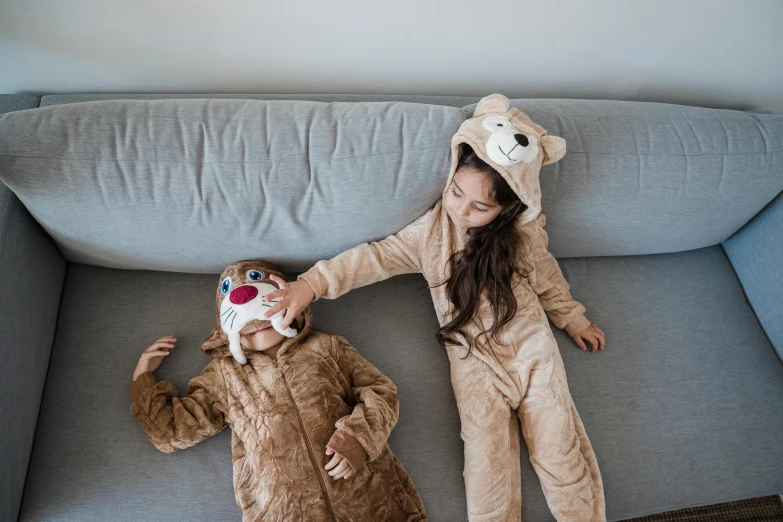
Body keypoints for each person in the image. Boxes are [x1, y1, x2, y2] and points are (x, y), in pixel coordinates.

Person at [264, 94, 606, 521]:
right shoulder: (430, 234)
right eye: (456, 192)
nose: (461, 209)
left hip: (533, 351)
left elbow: (548, 279)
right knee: (486, 460)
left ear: (507, 207)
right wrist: (309, 285)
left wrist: (574, 319)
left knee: (559, 449)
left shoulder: (522, 235)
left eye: (479, 207)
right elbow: (372, 258)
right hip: (473, 360)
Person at [130, 260, 427, 522]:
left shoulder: (328, 347)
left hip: (373, 502)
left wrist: (360, 437)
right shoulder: (224, 375)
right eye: (247, 325)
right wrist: (143, 377)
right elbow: (170, 432)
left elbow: (380, 391)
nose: (257, 323)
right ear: (225, 329)